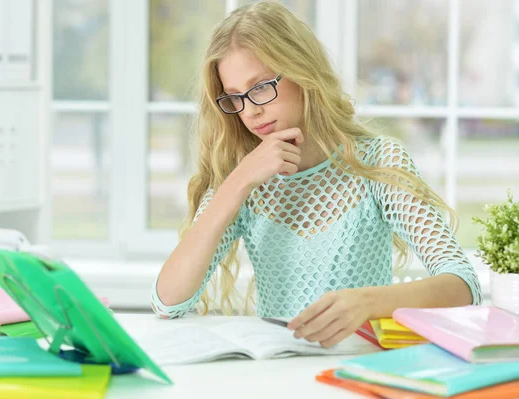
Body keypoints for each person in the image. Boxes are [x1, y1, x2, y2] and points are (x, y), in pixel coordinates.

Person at [151, 1, 482, 348]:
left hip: (358, 370)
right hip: (277, 376)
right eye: (234, 97)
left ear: (301, 71)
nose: (251, 110)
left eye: (261, 86)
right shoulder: (243, 179)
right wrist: (236, 183)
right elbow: (167, 301)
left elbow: (462, 285)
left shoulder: (378, 161)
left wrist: (370, 302)